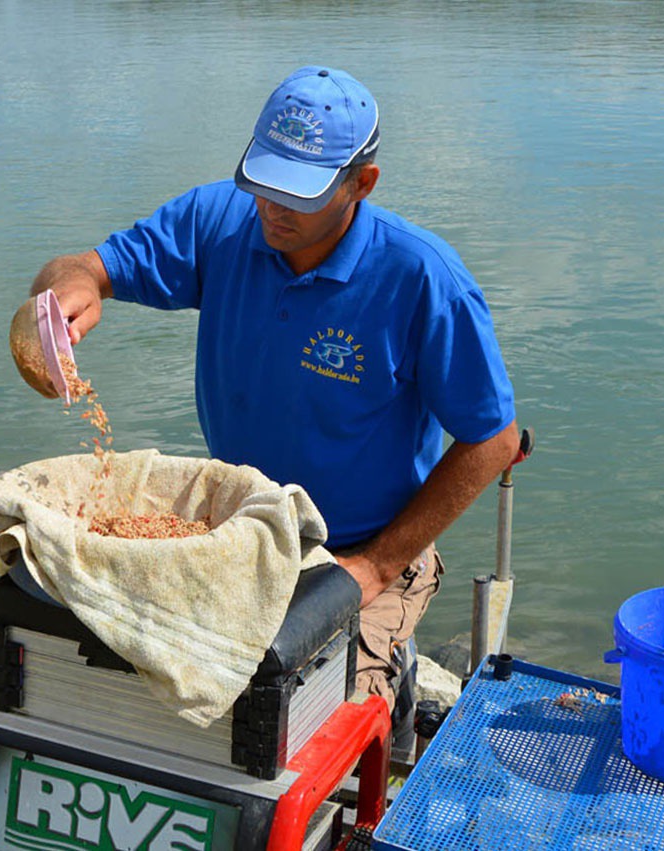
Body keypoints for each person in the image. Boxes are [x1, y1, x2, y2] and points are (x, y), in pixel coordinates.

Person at [26, 66, 518, 711]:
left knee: (326, 717)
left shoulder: (422, 279)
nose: (271, 208)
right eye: (262, 181)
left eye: (299, 193)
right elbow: (84, 266)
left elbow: (494, 439)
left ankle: (387, 719)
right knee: (168, 700)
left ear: (361, 184)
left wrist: (374, 566)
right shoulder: (219, 221)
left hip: (361, 543)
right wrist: (69, 289)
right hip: (238, 530)